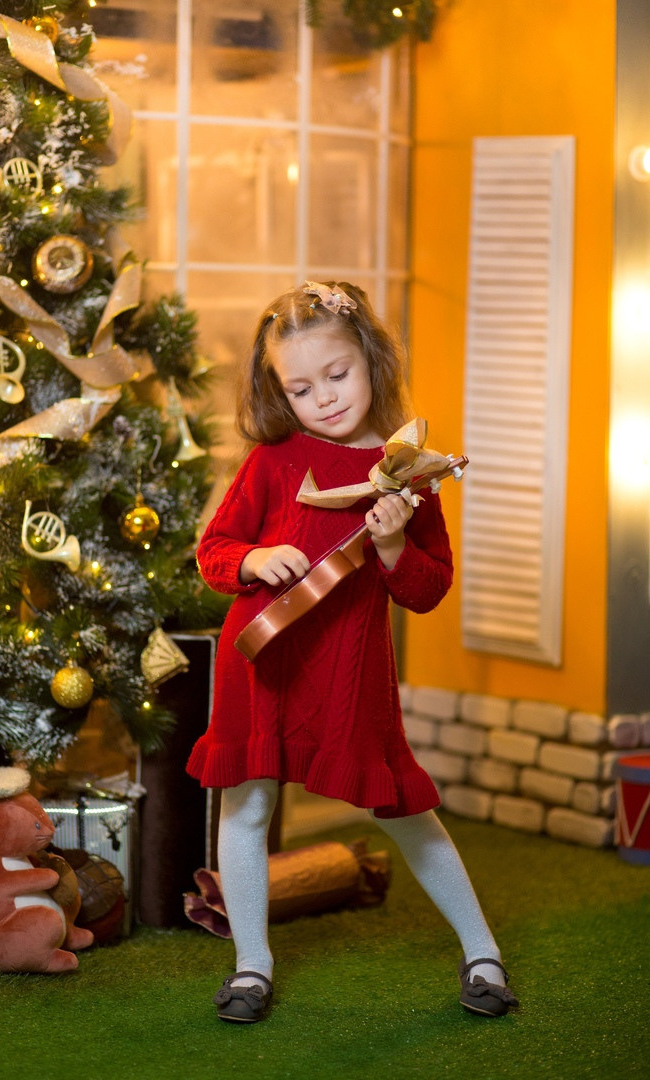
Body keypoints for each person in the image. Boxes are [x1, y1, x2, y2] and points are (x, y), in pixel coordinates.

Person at [186, 281, 518, 1023]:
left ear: (369, 359)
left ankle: (481, 952)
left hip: (348, 670)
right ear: (279, 392)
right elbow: (214, 550)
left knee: (402, 803)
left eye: (337, 376)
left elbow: (428, 590)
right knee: (247, 805)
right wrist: (253, 558)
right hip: (264, 660)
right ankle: (251, 966)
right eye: (301, 388)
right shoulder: (273, 461)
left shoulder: (409, 472)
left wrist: (395, 539)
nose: (325, 399)